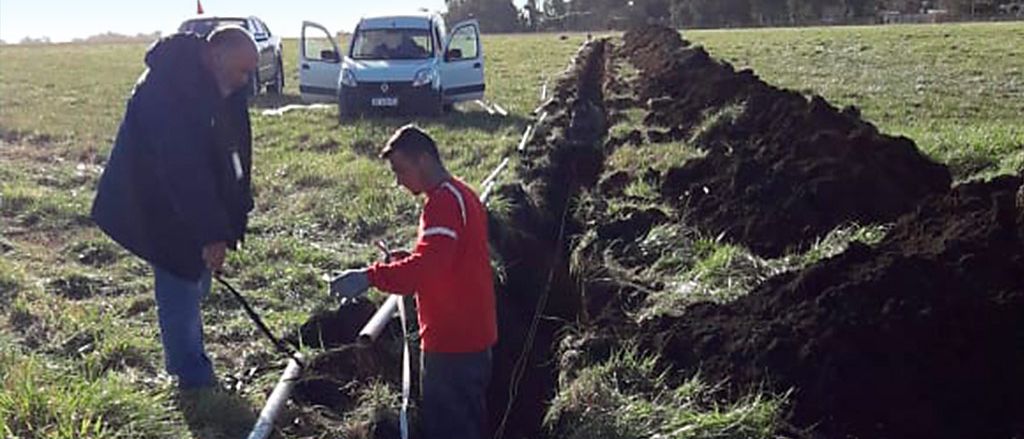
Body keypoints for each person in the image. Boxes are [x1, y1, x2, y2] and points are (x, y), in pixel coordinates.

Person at [90, 27, 258, 389]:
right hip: (155, 203)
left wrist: (234, 208)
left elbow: (233, 148)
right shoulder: (166, 88)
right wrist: (212, 231)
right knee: (179, 274)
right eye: (242, 70)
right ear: (216, 56)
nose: (247, 80)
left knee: (196, 279)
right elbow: (183, 170)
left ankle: (191, 361)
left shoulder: (224, 86)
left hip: (191, 202)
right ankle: (191, 380)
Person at [330, 125, 498, 439]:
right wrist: (408, 258)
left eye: (400, 170)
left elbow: (427, 269)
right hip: (472, 335)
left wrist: (370, 276)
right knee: (468, 421)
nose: (398, 180)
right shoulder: (462, 193)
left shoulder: (443, 203)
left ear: (423, 160)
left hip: (453, 342)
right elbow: (445, 257)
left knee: (449, 428)